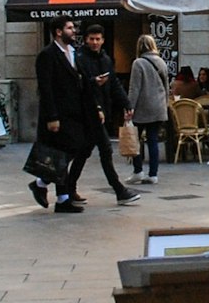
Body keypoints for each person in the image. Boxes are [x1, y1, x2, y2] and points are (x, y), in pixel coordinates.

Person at [72, 22, 140, 205]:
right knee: (106, 149)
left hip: (102, 111)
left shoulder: (106, 59)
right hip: (89, 112)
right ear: (86, 40)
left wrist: (126, 103)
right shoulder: (79, 59)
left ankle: (69, 186)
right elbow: (79, 85)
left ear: (103, 40)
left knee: (84, 151)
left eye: (98, 39)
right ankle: (119, 190)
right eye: (92, 39)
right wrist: (93, 83)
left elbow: (114, 83)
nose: (95, 42)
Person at [30, 16, 88, 213]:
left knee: (72, 149)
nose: (74, 31)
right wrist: (52, 117)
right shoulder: (47, 55)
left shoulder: (73, 52)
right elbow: (45, 87)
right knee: (62, 153)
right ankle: (62, 198)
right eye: (69, 28)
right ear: (58, 32)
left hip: (74, 112)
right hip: (57, 114)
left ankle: (41, 183)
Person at [128, 34, 170, 186]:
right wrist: (165, 104)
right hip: (158, 107)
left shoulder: (138, 63)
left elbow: (134, 88)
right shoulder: (161, 62)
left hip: (142, 107)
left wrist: (129, 107)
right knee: (153, 140)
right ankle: (153, 174)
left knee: (135, 139)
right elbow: (166, 86)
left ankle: (138, 170)